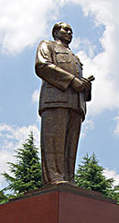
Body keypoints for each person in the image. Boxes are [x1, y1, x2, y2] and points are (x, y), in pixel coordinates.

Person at [35, 22, 93, 186]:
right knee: (54, 142)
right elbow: (42, 66)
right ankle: (54, 178)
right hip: (55, 101)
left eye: (71, 31)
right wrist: (72, 80)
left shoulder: (76, 58)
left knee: (70, 147)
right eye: (65, 29)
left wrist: (85, 85)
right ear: (55, 32)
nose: (69, 33)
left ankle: (69, 179)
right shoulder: (47, 45)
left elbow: (80, 86)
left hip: (76, 105)